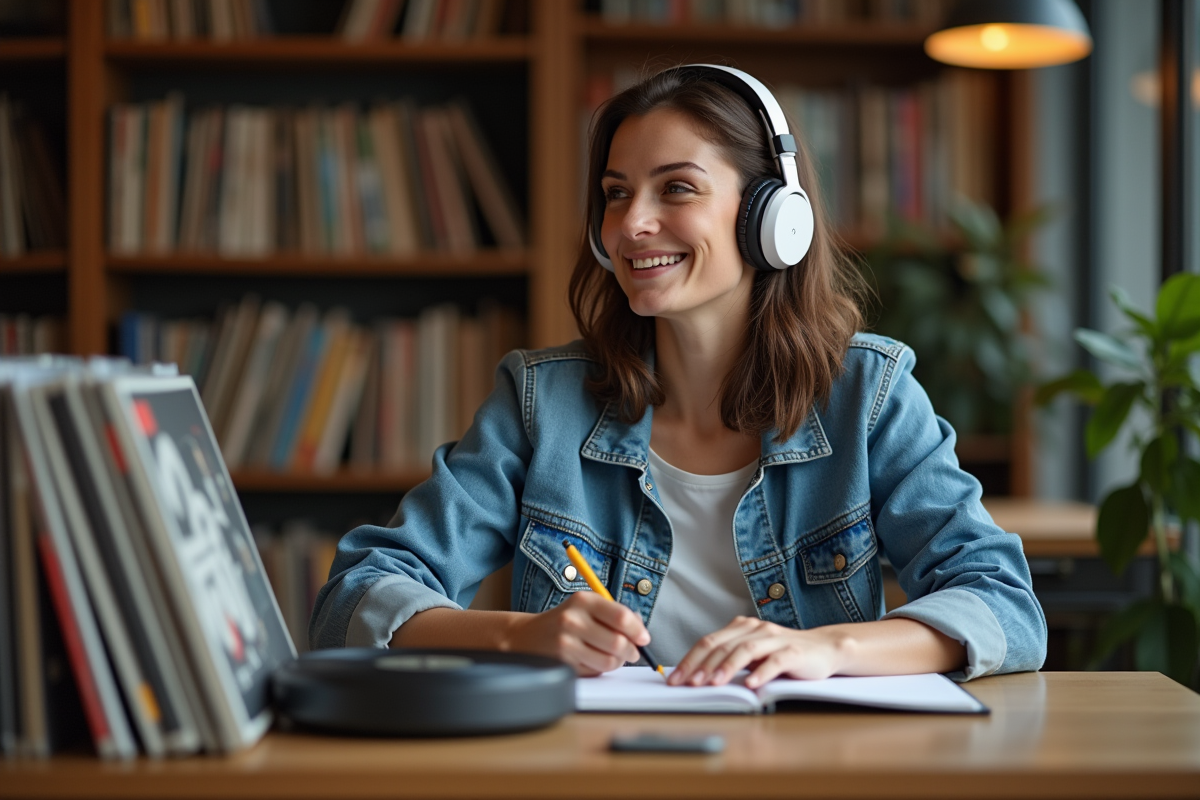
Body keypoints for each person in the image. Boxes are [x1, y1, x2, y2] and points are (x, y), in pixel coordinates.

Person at [309, 65, 1046, 688]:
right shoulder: (542, 402)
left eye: (677, 189)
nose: (632, 225)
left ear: (772, 217)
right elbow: (356, 596)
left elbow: (1003, 604)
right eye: (617, 192)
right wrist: (517, 637)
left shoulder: (867, 396)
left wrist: (825, 649)